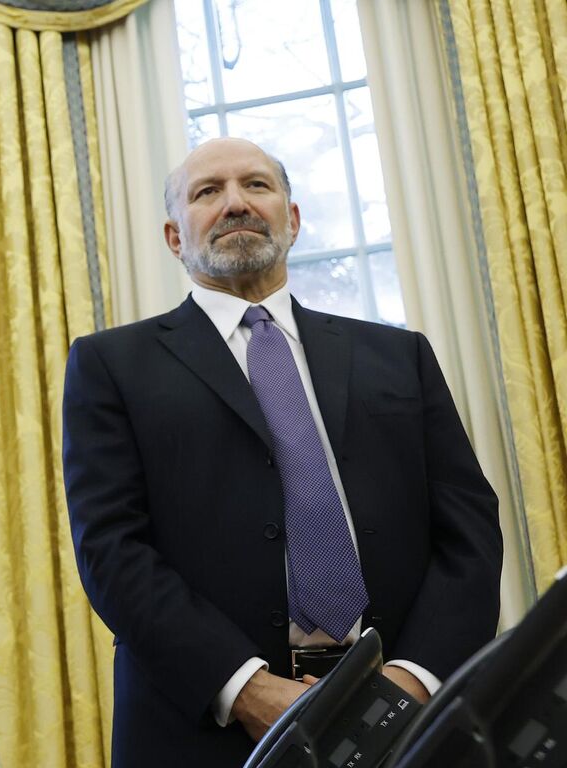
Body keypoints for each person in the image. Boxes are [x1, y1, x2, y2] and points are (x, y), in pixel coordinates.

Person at [62, 137, 502, 765]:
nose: (235, 203)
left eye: (257, 185)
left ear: (291, 220)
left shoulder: (398, 355)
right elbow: (109, 548)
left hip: (408, 722)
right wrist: (246, 690)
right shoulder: (110, 365)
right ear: (173, 237)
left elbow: (469, 530)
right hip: (206, 732)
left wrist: (412, 679)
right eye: (207, 192)